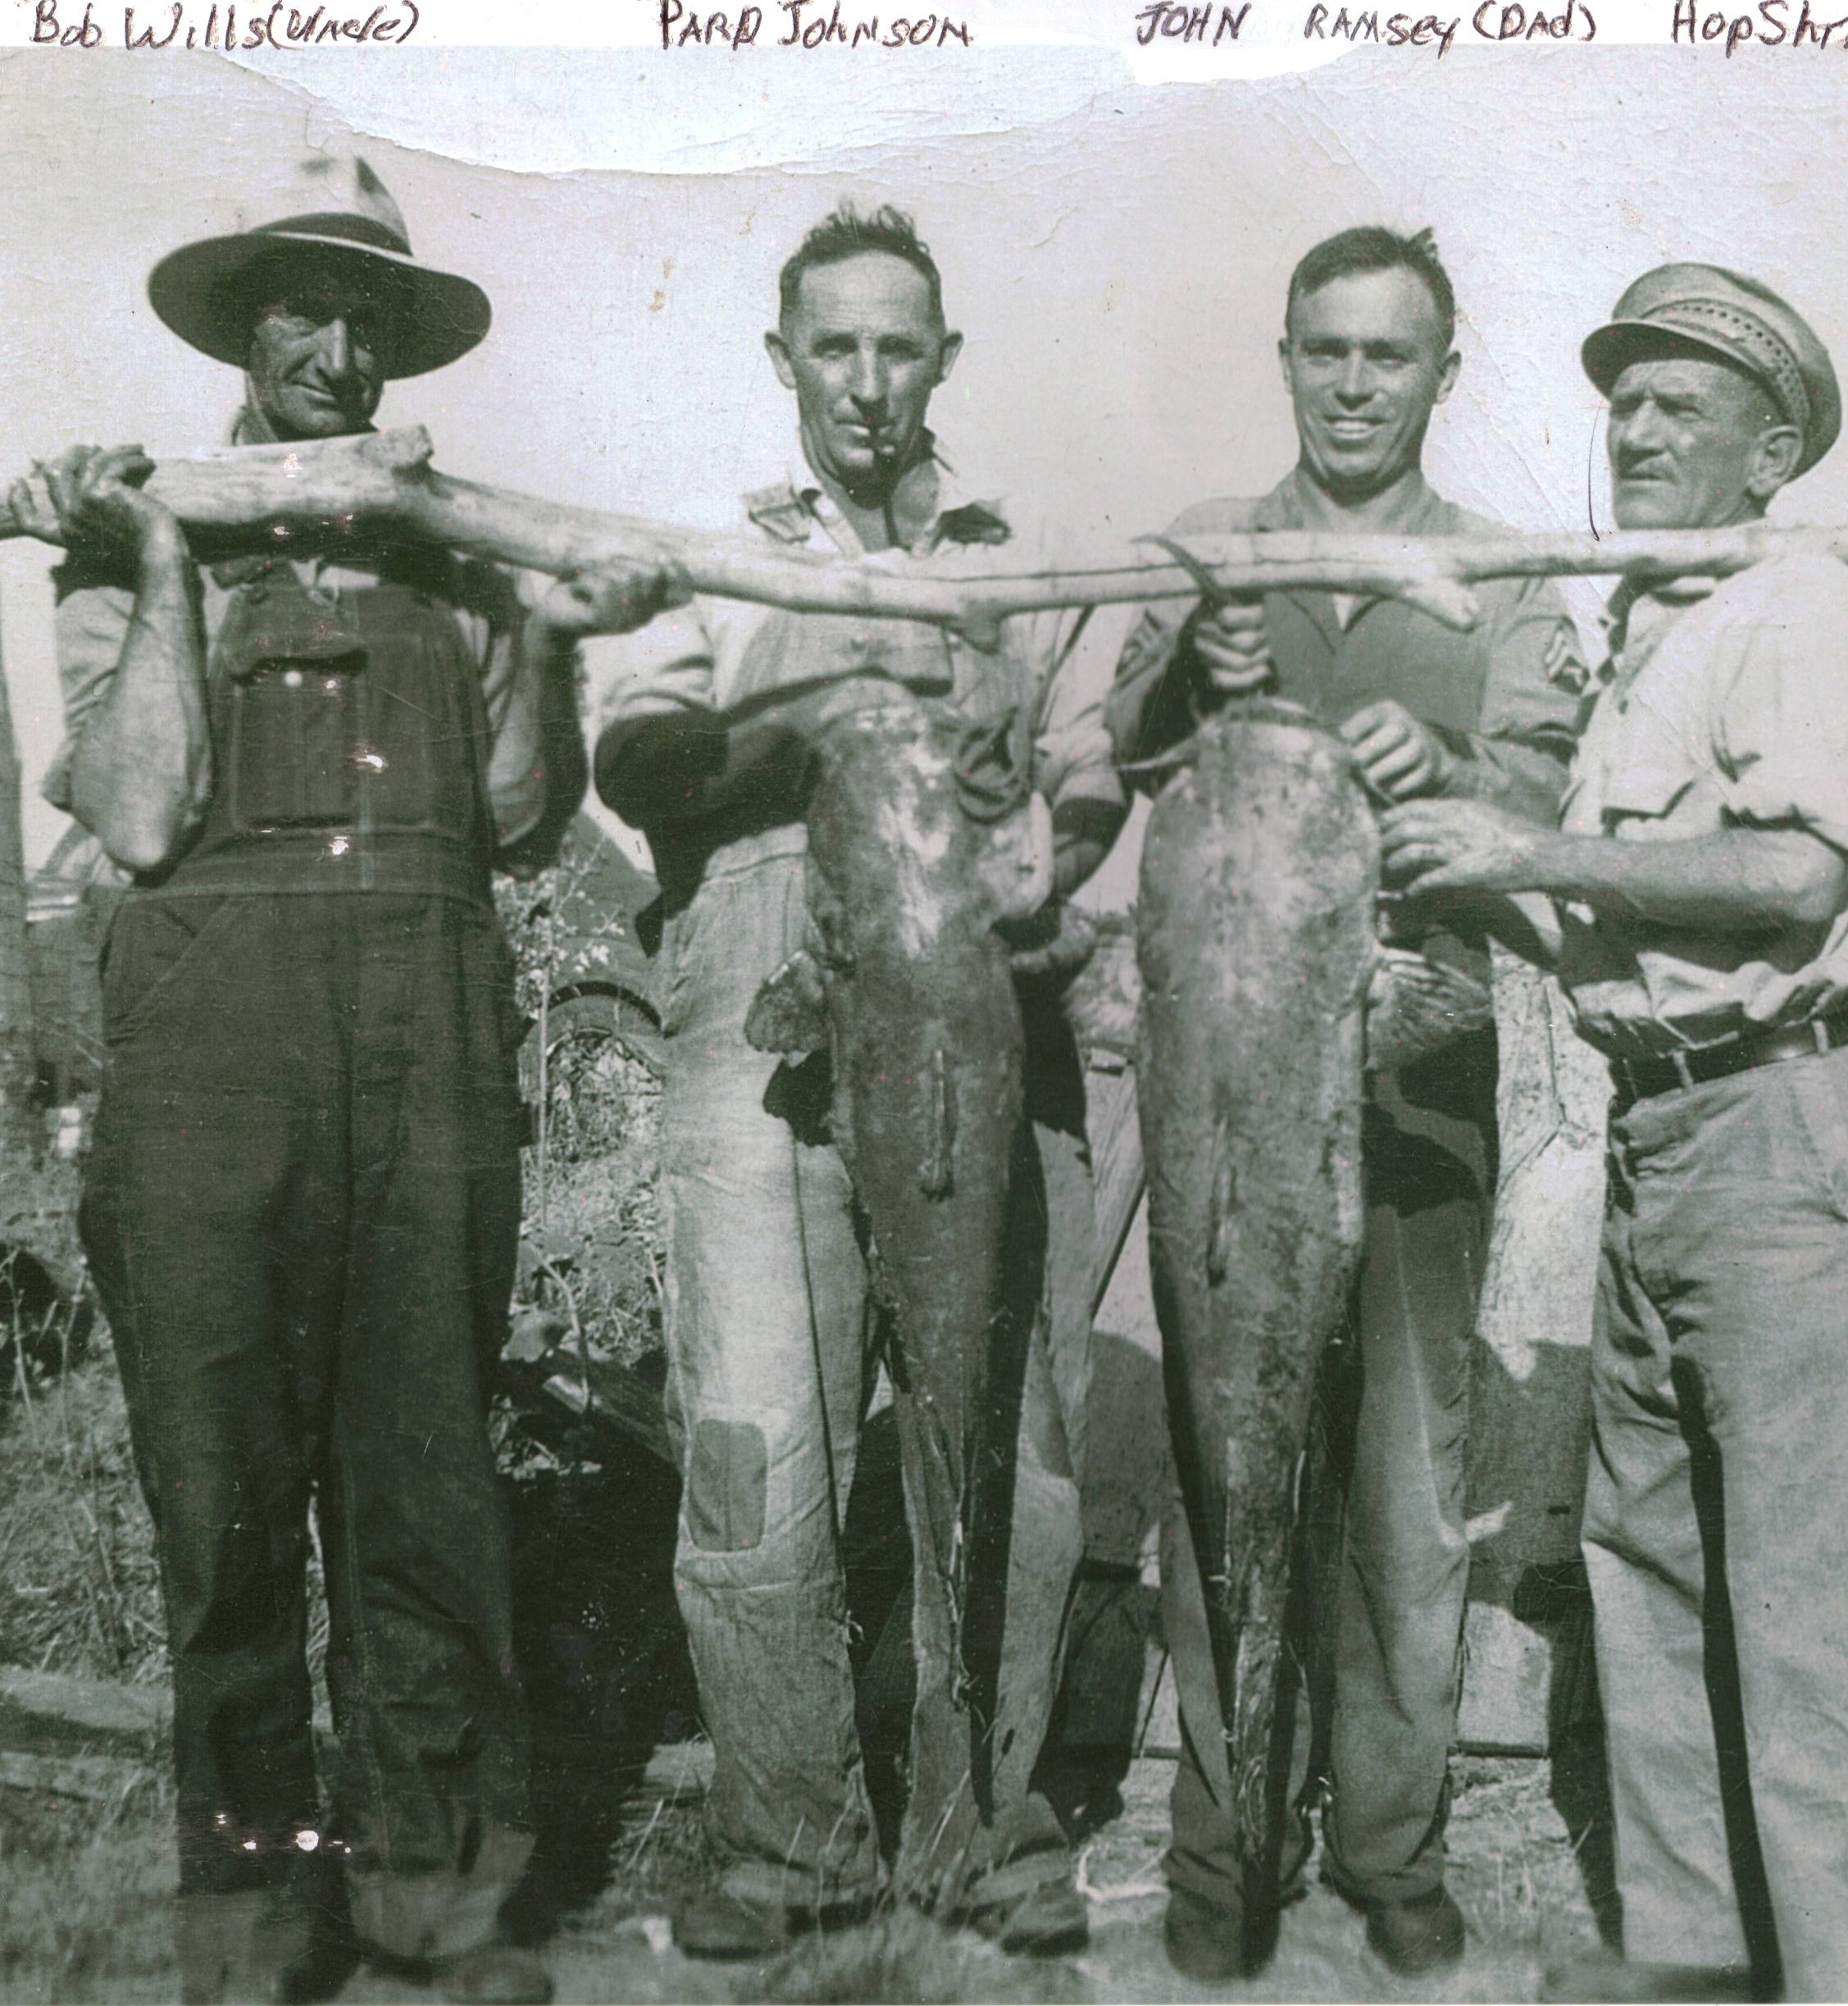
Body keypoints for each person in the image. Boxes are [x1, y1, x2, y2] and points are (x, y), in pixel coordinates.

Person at [26, 154, 676, 2006]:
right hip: (209, 1060)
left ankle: (437, 1909)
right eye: (302, 306)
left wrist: (550, 622)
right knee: (224, 1497)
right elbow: (141, 806)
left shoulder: (454, 546)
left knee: (423, 1485)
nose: (339, 344)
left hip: (426, 1045)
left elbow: (527, 817)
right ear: (245, 329)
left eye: (368, 312)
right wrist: (161, 555)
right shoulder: (124, 534)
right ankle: (251, 1915)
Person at [1380, 264, 1848, 2004]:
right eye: (1622, 398)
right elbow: (1606, 937)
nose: (1633, 427)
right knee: (1653, 1580)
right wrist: (1452, 855)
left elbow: (1790, 877)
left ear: (1770, 448)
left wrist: (1531, 855)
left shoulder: (1805, 608)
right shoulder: (1658, 637)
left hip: (1794, 1139)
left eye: (1680, 405)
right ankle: (1699, 1970)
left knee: (1820, 1620)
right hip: (1664, 1144)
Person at [587, 201, 1126, 1961]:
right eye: (838, 346)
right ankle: (792, 1837)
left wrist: (1051, 843)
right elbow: (647, 762)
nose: (871, 382)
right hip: (763, 1041)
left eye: (904, 346)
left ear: (943, 360)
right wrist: (806, 719)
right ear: (785, 360)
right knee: (761, 1450)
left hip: (973, 1038)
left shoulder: (1017, 562)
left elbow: (1091, 772)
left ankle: (987, 1829)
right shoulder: (714, 552)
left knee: (1007, 1451)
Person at [1104, 224, 1590, 1982]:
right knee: (1225, 1472)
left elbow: (1547, 780)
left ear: (1445, 372)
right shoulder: (1213, 552)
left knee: (1401, 1489)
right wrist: (1192, 677)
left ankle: (1387, 1841)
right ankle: (1224, 1842)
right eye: (1327, 350)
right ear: (1286, 355)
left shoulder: (1510, 574)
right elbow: (1122, 754)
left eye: (1392, 354)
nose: (1356, 382)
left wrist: (1446, 763)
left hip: (1415, 1078)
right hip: (1232, 1094)